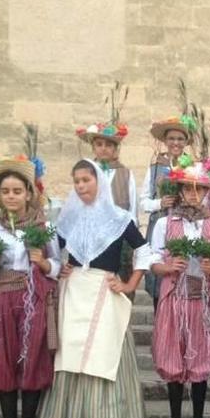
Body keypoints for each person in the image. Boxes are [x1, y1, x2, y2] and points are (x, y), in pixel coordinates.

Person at [36, 159, 151, 418]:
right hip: (74, 292)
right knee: (73, 356)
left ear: (98, 181)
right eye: (76, 181)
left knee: (104, 357)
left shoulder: (118, 217)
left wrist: (129, 284)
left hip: (104, 290)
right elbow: (53, 254)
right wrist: (58, 269)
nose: (81, 186)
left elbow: (143, 249)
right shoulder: (67, 219)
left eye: (86, 180)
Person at [0, 156, 59, 418]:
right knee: (3, 362)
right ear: (0, 196)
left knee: (32, 361)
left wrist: (44, 262)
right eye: (6, 192)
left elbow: (58, 265)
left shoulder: (43, 228)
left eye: (17, 191)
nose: (11, 196)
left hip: (32, 299)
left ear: (28, 193)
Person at [150, 162, 210, 418]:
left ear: (207, 192)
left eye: (200, 189)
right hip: (174, 298)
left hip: (202, 299)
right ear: (180, 191)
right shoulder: (165, 223)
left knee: (201, 360)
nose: (194, 194)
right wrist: (168, 266)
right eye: (188, 188)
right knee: (173, 357)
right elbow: (152, 260)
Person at [75, 122, 138, 297]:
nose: (103, 149)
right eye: (99, 144)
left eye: (108, 145)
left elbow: (132, 210)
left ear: (115, 148)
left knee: (119, 286)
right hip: (92, 237)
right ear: (93, 147)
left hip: (120, 239)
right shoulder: (84, 174)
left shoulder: (125, 174)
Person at [143, 114, 198, 307]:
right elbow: (143, 202)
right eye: (172, 138)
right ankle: (161, 316)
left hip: (186, 224)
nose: (176, 142)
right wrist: (160, 203)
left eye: (180, 139)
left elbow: (200, 197)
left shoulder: (193, 167)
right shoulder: (155, 167)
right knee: (159, 269)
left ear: (185, 142)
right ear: (165, 141)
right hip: (161, 225)